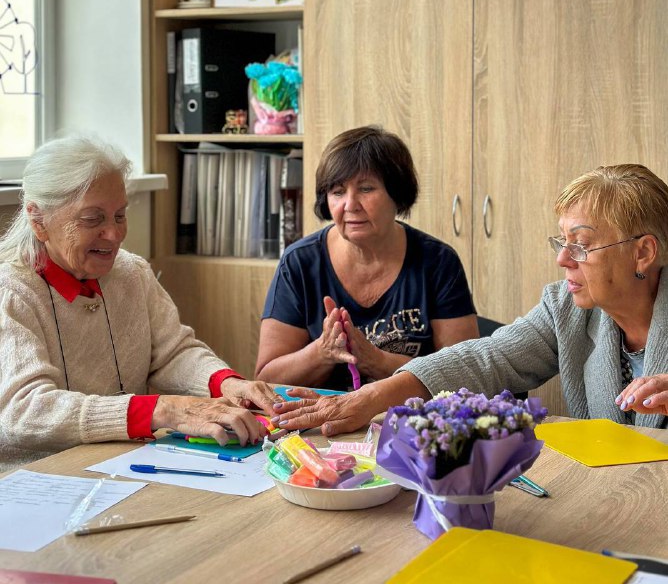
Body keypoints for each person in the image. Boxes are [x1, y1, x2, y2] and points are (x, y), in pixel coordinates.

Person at [271, 163, 668, 435]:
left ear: (643, 253)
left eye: (580, 245)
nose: (562, 259)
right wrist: (369, 398)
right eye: (561, 242)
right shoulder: (564, 308)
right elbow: (486, 360)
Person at [0, 135, 282, 472]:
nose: (115, 234)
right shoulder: (12, 292)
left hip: (120, 463)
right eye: (93, 219)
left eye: (119, 215)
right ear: (38, 220)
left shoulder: (131, 273)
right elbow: (24, 410)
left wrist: (226, 383)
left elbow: (173, 353)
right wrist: (160, 410)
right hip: (37, 477)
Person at [255, 125, 478, 391]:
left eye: (366, 188)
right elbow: (266, 379)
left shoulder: (438, 262)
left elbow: (465, 376)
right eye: (337, 192)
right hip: (319, 424)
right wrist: (323, 351)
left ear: (398, 195)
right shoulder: (300, 264)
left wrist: (376, 360)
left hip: (409, 423)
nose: (350, 205)